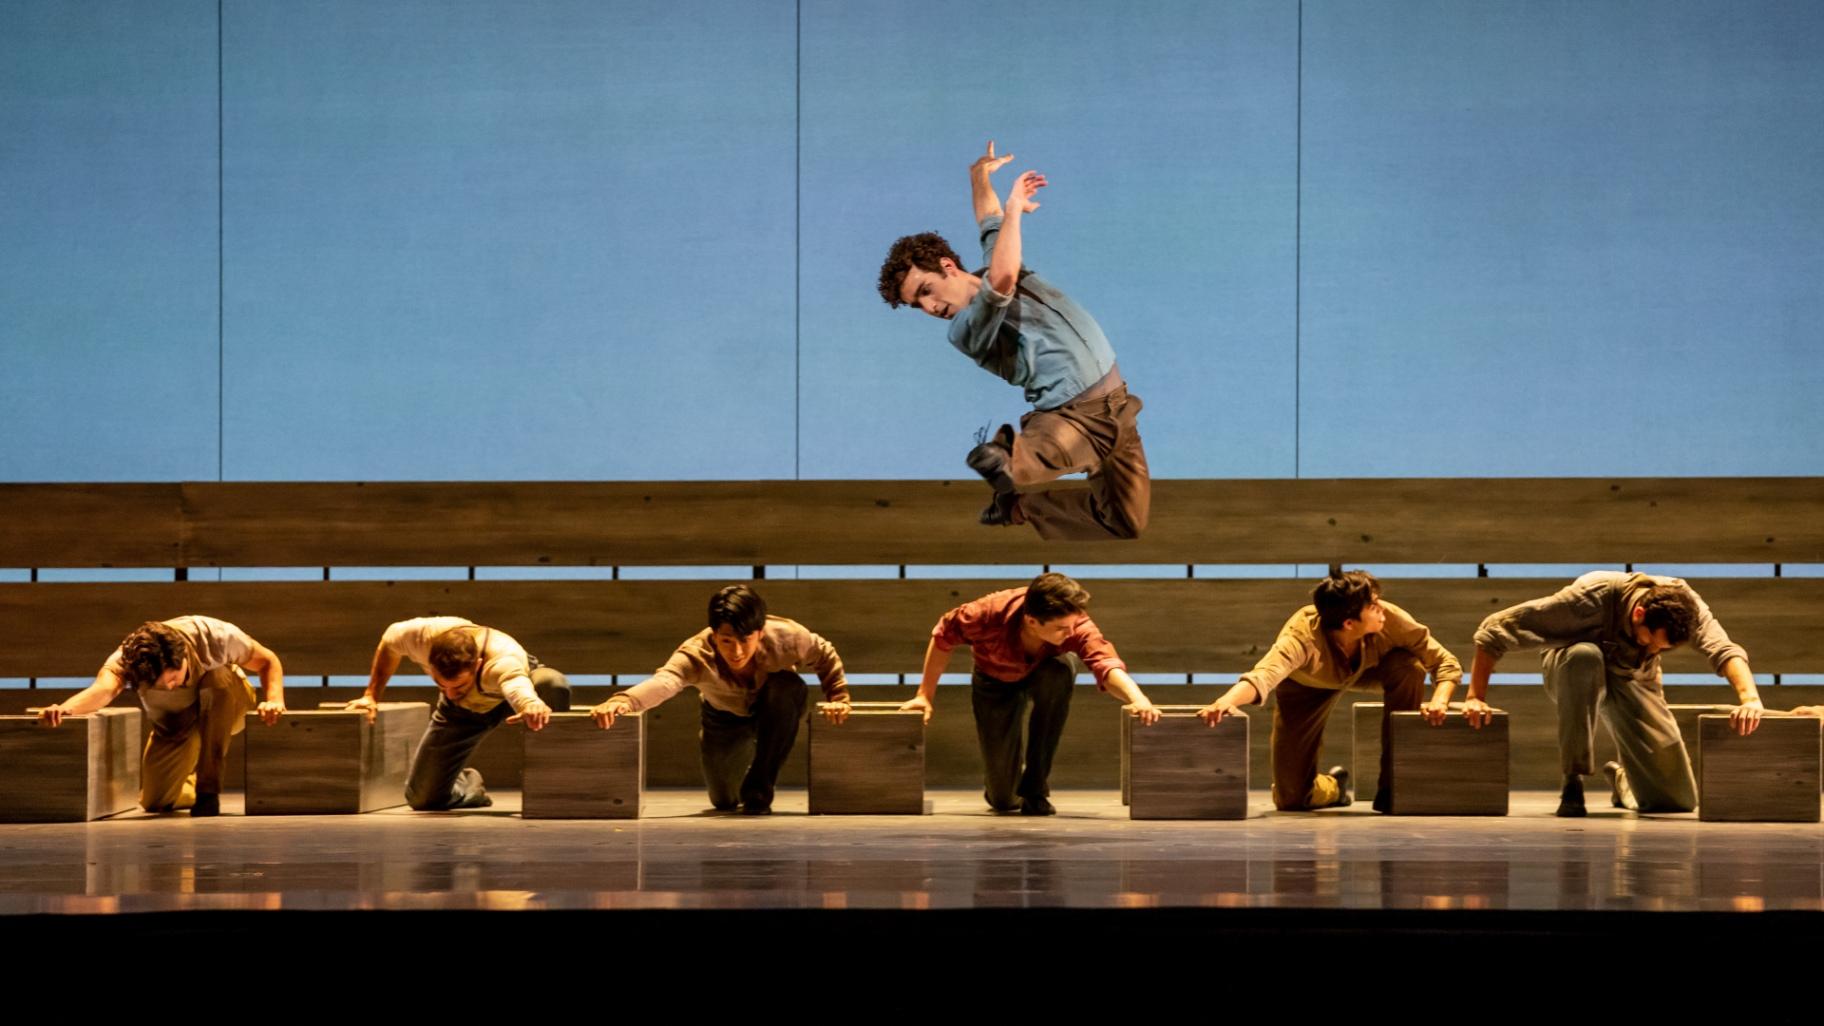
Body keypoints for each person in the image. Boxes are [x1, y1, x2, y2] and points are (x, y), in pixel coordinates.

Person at [877, 140, 1150, 540]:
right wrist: (1016, 208)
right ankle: (1003, 456)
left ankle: (1019, 507)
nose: (930, 307)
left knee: (1125, 521)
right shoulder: (967, 329)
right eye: (918, 305)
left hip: (1120, 410)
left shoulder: (994, 259)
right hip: (1071, 415)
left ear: (949, 267)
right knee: (1042, 450)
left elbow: (988, 221)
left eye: (926, 291)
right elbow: (1002, 278)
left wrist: (978, 175)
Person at [1465, 571, 1763, 817]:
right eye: (1650, 641)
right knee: (1585, 656)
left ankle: (1624, 780)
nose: (1654, 650)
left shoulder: (1685, 605)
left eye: (1662, 649)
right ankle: (1573, 779)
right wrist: (1475, 696)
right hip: (1571, 669)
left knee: (1676, 801)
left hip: (1633, 676)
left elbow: (1724, 649)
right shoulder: (1588, 600)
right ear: (1639, 613)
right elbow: (1494, 631)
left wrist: (1750, 699)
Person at [1198, 569, 1462, 812]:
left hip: (1368, 671)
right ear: (1349, 623)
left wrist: (1439, 700)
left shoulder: (1390, 620)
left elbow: (1445, 662)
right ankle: (1334, 786)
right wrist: (1226, 701)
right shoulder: (1301, 637)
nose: (1382, 609)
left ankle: (1394, 787)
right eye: (1373, 606)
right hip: (1306, 686)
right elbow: (1263, 675)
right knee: (1291, 799)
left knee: (1409, 667)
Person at [900, 572, 1161, 815]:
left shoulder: (1074, 624)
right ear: (1032, 621)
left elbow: (1105, 664)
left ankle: (1035, 787)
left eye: (1073, 626)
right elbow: (943, 636)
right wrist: (925, 694)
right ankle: (1011, 785)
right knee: (1003, 799)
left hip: (1046, 672)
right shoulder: (986, 613)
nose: (1071, 632)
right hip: (994, 678)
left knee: (1058, 672)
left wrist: (1138, 698)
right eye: (1061, 628)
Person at [591, 585, 850, 814]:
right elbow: (665, 681)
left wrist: (838, 696)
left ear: (759, 633)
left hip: (773, 710)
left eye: (745, 641)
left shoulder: (788, 637)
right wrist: (624, 700)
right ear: (715, 635)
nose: (736, 652)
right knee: (724, 801)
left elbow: (824, 654)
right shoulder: (697, 653)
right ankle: (731, 772)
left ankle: (759, 787)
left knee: (788, 687)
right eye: (726, 641)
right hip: (723, 718)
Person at [38, 616, 285, 816]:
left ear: (184, 656)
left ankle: (208, 792)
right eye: (161, 684)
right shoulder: (128, 658)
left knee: (217, 678)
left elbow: (268, 661)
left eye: (174, 678)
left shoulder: (213, 635)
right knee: (154, 801)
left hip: (227, 706)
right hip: (178, 724)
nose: (170, 687)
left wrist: (274, 700)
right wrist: (66, 708)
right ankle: (188, 784)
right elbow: (103, 690)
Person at [346, 616, 563, 811]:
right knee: (422, 799)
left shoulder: (502, 663)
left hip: (514, 696)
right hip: (465, 710)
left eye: (458, 687)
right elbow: (390, 641)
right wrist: (371, 695)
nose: (449, 694)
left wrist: (531, 705)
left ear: (477, 665)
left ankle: (555, 784)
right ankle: (468, 783)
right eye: (440, 685)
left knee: (552, 682)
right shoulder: (422, 638)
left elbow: (517, 687)